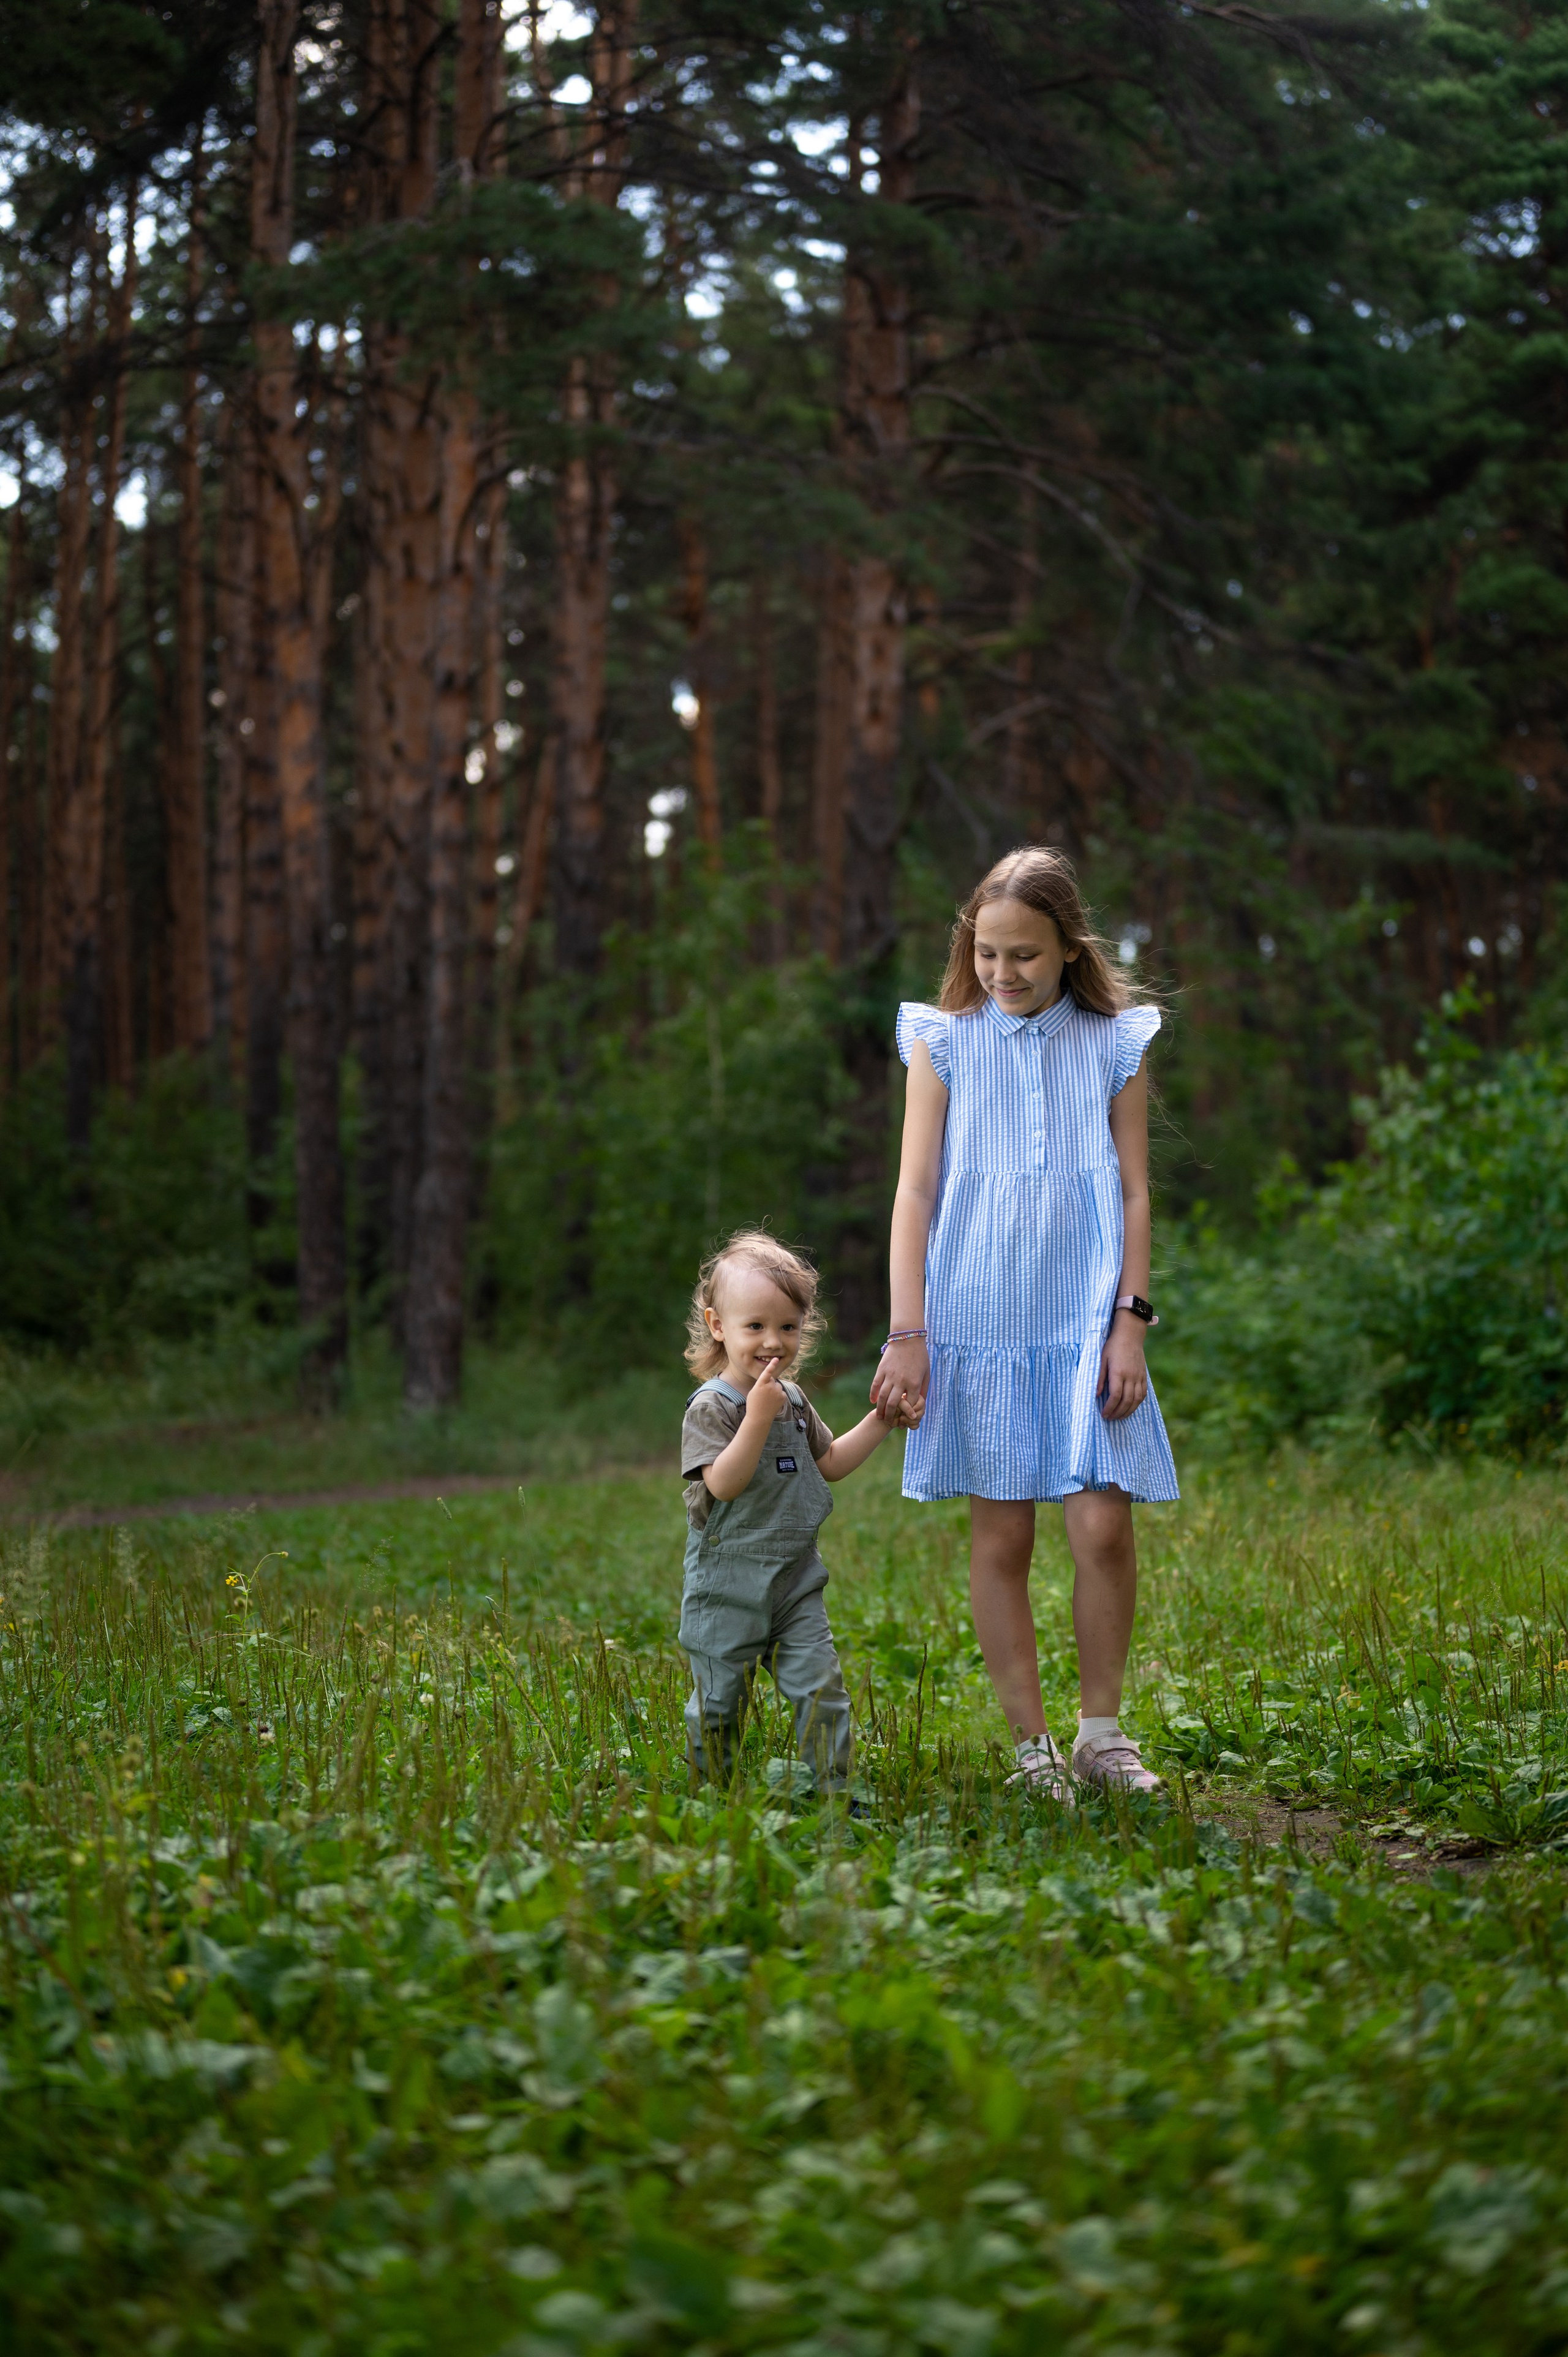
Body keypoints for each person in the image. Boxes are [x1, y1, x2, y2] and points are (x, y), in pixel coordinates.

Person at [870, 845, 1178, 1800]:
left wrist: (1129, 1322)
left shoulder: (1114, 1040)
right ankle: (1032, 1750)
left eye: (1026, 956)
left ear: (1068, 949)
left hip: (1084, 1318)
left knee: (1102, 1530)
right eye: (989, 953)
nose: (1004, 973)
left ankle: (1101, 1736)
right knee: (1002, 1542)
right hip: (978, 1322)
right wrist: (907, 1332)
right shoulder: (944, 1040)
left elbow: (1133, 1192)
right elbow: (915, 1191)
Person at [679, 1230, 913, 1795]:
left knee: (822, 1690)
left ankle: (838, 1792)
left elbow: (829, 1462)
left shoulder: (795, 1400)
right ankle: (712, 1796)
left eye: (787, 1326)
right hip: (726, 1589)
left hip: (795, 1583)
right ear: (718, 1326)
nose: (772, 1341)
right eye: (754, 1326)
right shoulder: (713, 1407)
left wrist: (882, 1420)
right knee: (718, 1702)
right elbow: (725, 1484)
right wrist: (757, 1418)